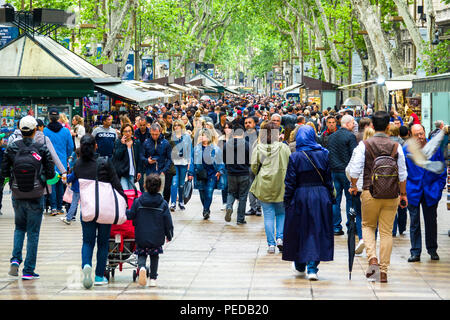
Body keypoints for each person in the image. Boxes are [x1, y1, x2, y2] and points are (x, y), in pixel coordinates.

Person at [348, 111, 408, 283]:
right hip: (391, 194)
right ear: (388, 126)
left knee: (367, 226)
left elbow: (354, 170)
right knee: (386, 232)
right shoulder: (397, 147)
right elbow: (403, 174)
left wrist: (353, 185)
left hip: (369, 192)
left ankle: (372, 258)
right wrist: (403, 194)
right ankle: (383, 270)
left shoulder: (364, 145)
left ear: (372, 126)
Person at [3, 116, 55, 280]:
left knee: (19, 228)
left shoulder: (11, 148)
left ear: (20, 129)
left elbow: (3, 172)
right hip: (36, 194)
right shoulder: (41, 148)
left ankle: (16, 260)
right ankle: (28, 270)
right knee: (33, 233)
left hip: (17, 194)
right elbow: (51, 173)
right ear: (35, 130)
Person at [74, 134, 126, 289]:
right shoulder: (104, 163)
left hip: (88, 209)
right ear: (96, 146)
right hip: (104, 210)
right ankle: (98, 275)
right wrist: (124, 200)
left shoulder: (78, 165)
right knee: (103, 243)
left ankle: (86, 265)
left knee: (87, 241)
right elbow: (116, 184)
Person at [283, 125, 335, 280]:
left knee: (299, 229)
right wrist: (331, 196)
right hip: (320, 195)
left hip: (301, 195)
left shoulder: (295, 156)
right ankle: (312, 267)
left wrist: (287, 199)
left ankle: (300, 265)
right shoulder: (324, 154)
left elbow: (290, 181)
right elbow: (328, 179)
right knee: (318, 229)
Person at [404, 124, 446, 263]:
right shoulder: (406, 150)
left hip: (431, 191)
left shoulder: (435, 149)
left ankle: (432, 249)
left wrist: (439, 188)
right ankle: (415, 252)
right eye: (416, 135)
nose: (420, 137)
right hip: (413, 191)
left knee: (431, 222)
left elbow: (442, 170)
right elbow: (402, 172)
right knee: (414, 223)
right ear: (410, 134)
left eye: (421, 133)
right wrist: (402, 192)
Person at [249, 121, 291, 253]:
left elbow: (254, 167)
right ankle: (280, 238)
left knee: (268, 216)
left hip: (264, 184)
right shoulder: (284, 147)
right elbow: (291, 164)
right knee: (281, 213)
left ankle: (271, 245)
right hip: (281, 184)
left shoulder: (258, 148)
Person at [126, 174, 173, 287]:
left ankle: (142, 267)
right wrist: (169, 234)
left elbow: (131, 215)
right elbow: (168, 221)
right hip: (156, 236)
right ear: (159, 187)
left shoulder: (138, 201)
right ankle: (153, 278)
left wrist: (125, 210)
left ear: (145, 186)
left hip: (141, 235)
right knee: (154, 256)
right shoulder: (163, 204)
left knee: (141, 254)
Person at [345, 127, 375, 256]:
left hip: (359, 188)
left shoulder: (358, 149)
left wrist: (352, 184)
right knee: (373, 217)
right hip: (374, 188)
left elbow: (350, 169)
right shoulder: (380, 150)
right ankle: (372, 241)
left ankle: (362, 238)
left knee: (359, 215)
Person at [327, 114, 357, 235]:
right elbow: (354, 155)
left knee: (335, 199)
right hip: (347, 172)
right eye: (353, 122)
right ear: (348, 123)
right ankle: (350, 225)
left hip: (334, 171)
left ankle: (336, 227)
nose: (354, 124)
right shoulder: (350, 136)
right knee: (350, 199)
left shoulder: (331, 136)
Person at [187, 128, 226, 220]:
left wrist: (220, 171)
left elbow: (221, 161)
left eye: (203, 135)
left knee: (209, 193)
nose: (201, 137)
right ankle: (205, 207)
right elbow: (192, 161)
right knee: (202, 193)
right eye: (200, 135)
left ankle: (206, 210)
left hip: (212, 174)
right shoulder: (196, 149)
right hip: (199, 174)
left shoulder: (215, 149)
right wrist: (190, 173)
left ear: (208, 137)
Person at [44, 108, 73, 216]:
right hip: (62, 162)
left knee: (51, 183)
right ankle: (60, 207)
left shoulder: (45, 131)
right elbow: (70, 147)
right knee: (60, 184)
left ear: (49, 117)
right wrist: (65, 156)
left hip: (49, 162)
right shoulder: (65, 131)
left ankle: (53, 207)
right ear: (59, 118)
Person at [223, 122, 251, 225]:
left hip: (231, 173)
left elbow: (224, 159)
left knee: (231, 192)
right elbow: (251, 159)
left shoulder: (227, 144)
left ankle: (229, 206)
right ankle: (240, 219)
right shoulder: (247, 145)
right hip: (244, 173)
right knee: (243, 196)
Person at [142, 123, 172, 199]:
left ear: (160, 132)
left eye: (156, 134)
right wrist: (147, 160)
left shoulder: (166, 143)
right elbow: (141, 156)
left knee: (159, 194)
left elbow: (170, 158)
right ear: (150, 132)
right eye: (153, 134)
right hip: (148, 171)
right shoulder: (146, 142)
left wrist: (164, 171)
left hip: (160, 171)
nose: (154, 136)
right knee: (147, 194)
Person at [112, 124, 143, 191]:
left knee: (131, 193)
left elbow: (139, 158)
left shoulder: (136, 142)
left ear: (132, 132)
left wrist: (139, 171)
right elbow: (117, 156)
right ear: (122, 132)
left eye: (129, 131)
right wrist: (123, 145)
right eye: (125, 131)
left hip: (132, 172)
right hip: (123, 173)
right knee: (125, 192)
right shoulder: (118, 142)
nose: (128, 133)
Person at [169, 120, 191, 211]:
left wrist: (189, 162)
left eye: (178, 125)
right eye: (175, 125)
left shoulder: (186, 137)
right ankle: (173, 203)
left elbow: (190, 149)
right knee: (174, 183)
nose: (176, 127)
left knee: (181, 184)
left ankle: (181, 202)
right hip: (174, 163)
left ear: (182, 126)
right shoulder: (171, 137)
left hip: (184, 162)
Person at [244, 117, 261, 216]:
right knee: (250, 187)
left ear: (254, 124)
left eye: (250, 122)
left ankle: (259, 207)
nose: (247, 124)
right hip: (248, 164)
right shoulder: (244, 136)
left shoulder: (259, 135)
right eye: (246, 123)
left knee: (259, 186)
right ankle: (252, 207)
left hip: (259, 164)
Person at [60, 148, 81, 225]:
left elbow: (73, 176)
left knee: (74, 203)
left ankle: (69, 218)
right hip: (86, 186)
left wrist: (66, 179)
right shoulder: (88, 163)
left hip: (77, 187)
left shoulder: (77, 164)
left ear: (77, 155)